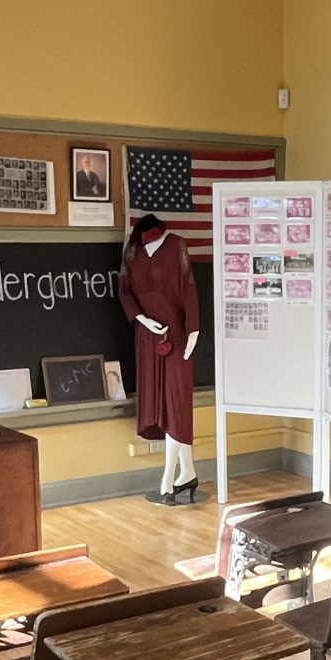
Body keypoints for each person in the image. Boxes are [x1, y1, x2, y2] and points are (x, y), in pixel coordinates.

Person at [117, 214, 202, 504]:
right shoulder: (132, 251)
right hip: (147, 337)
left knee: (177, 404)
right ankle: (187, 473)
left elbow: (189, 288)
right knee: (160, 403)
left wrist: (193, 329)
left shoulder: (176, 245)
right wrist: (142, 319)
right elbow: (125, 291)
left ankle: (167, 480)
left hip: (177, 335)